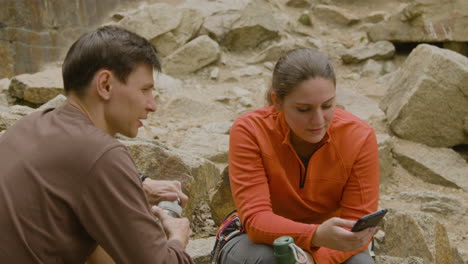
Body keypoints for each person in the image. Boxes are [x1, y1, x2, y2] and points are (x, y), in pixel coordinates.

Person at [0, 25, 194, 264]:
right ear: (105, 85)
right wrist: (176, 238)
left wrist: (139, 188)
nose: (152, 105)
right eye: (145, 90)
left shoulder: (29, 125)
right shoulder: (102, 153)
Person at [218, 48, 380, 264]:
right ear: (277, 101)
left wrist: (312, 259)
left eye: (327, 106)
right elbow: (256, 221)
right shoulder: (250, 130)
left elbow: (356, 226)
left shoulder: (359, 136)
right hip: (257, 240)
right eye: (304, 109)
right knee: (272, 260)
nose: (318, 120)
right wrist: (314, 235)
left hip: (331, 243)